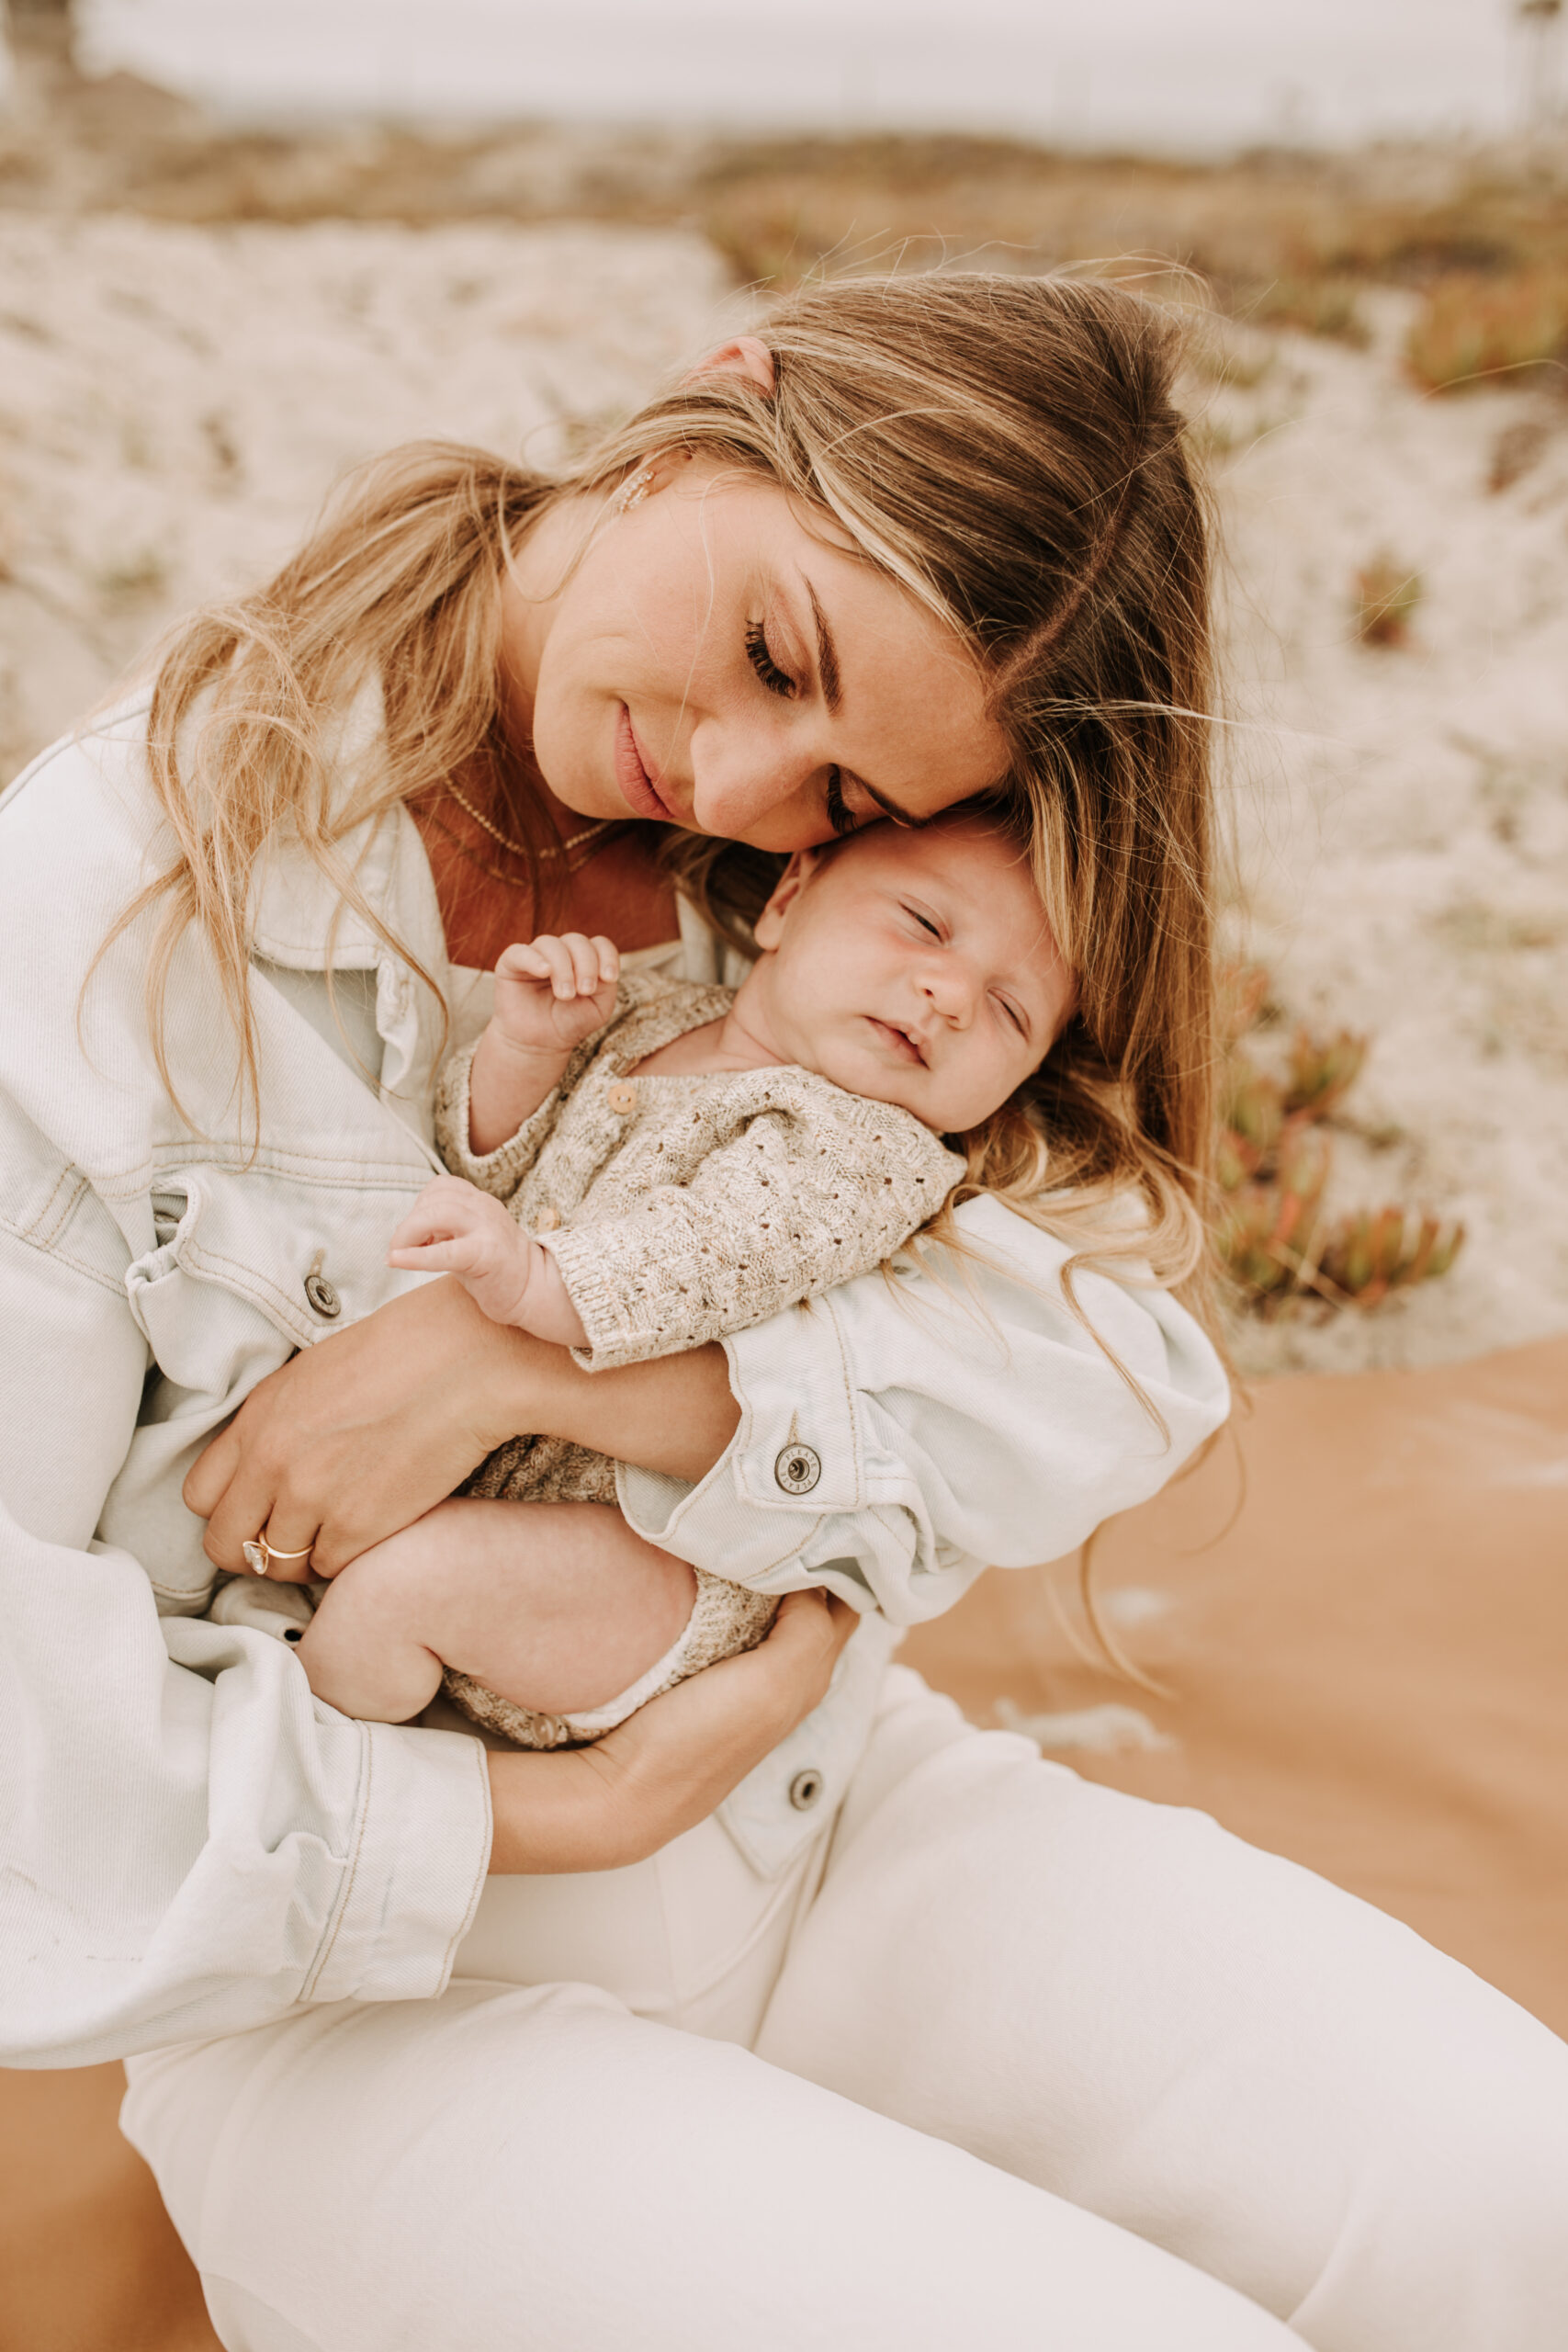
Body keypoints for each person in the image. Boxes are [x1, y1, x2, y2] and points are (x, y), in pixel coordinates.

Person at [1, 273, 1563, 2352]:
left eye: (838, 803)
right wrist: (564, 1808)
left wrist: (538, 1362)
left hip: (833, 1809)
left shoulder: (871, 900)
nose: (735, 788)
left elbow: (1103, 1355)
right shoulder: (111, 907)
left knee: (1512, 2200)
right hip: (374, 1992)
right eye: (768, 652)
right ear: (709, 406)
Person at [292, 808, 1074, 1744]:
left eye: (1009, 1011)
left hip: (650, 1561)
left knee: (396, 1596)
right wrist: (526, 1053)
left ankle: (322, 1763)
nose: (949, 994)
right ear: (788, 898)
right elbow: (495, 1173)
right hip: (504, 1491)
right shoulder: (657, 1012)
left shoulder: (869, 1150)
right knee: (386, 1583)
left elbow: (713, 1255)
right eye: (924, 924)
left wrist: (533, 1277)